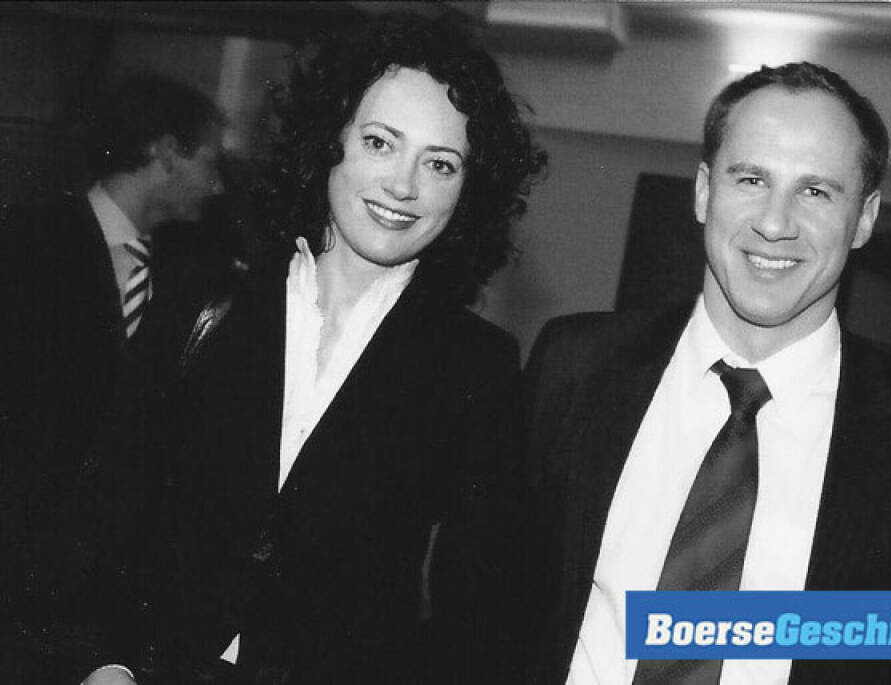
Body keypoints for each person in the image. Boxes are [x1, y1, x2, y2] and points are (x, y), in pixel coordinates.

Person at [80, 13, 546, 685]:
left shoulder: (477, 367)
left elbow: (476, 611)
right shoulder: (202, 301)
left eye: (440, 164)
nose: (404, 185)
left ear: (467, 189)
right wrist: (106, 662)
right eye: (380, 143)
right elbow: (110, 503)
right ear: (331, 140)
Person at [522, 61, 891, 685]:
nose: (775, 223)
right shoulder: (573, 365)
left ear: (865, 218)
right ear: (703, 191)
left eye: (816, 191)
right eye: (752, 178)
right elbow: (488, 607)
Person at [0, 72, 225, 683]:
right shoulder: (23, 246)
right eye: (209, 161)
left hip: (105, 608)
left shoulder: (190, 276)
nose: (218, 184)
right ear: (165, 152)